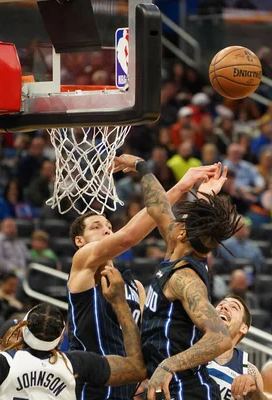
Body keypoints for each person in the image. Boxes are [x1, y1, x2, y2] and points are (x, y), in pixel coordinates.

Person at [67, 163, 224, 400]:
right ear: (79, 240)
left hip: (130, 385)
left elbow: (144, 342)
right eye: (96, 227)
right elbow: (134, 231)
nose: (107, 230)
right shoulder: (82, 263)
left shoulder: (135, 286)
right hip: (92, 386)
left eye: (109, 226)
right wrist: (185, 188)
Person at [112, 154, 240, 400]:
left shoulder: (185, 279)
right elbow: (157, 206)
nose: (173, 218)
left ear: (182, 235)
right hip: (169, 387)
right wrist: (141, 165)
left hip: (187, 390)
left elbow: (221, 338)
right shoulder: (180, 248)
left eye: (181, 220)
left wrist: (169, 364)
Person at [0, 267, 146, 400]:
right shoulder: (76, 363)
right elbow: (137, 368)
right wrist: (120, 303)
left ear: (22, 330)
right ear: (60, 337)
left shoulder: (1, 362)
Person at [207, 295, 264, 400]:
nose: (224, 307)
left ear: (243, 328)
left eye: (234, 307)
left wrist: (255, 395)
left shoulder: (250, 371)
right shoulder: (189, 345)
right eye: (221, 304)